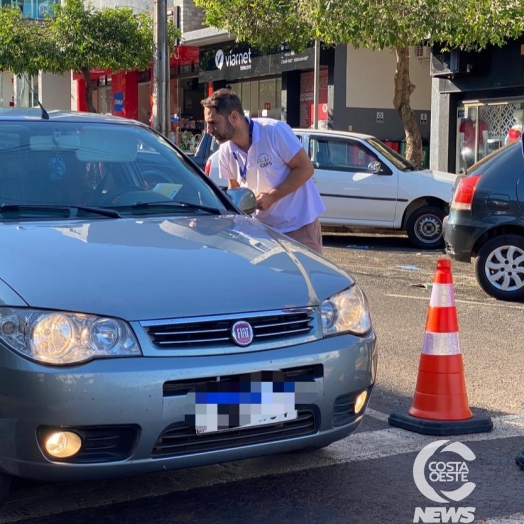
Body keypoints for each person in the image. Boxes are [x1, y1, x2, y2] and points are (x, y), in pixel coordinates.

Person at [201, 88, 326, 254]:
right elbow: (235, 190)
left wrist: (272, 196)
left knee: (306, 279)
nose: (208, 130)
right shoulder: (225, 151)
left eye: (213, 123)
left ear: (234, 117)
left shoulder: (274, 131)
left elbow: (306, 168)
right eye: (207, 124)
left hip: (299, 227)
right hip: (261, 233)